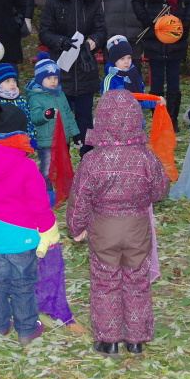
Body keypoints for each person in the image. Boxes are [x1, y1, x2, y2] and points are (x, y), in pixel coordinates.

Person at [66, 91, 169, 355]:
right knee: (137, 281)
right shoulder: (146, 157)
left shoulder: (92, 160)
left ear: (101, 119)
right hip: (137, 227)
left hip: (104, 229)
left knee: (105, 282)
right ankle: (136, 339)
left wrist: (76, 228)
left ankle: (108, 340)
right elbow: (160, 190)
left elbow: (80, 198)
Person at [0, 101, 58, 343]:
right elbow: (39, 204)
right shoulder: (26, 166)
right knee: (23, 283)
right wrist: (49, 231)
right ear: (19, 135)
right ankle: (27, 328)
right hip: (22, 238)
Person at [39, 0, 107, 141]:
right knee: (62, 120)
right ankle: (63, 154)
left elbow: (101, 29)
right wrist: (61, 42)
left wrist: (92, 42)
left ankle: (87, 153)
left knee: (85, 119)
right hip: (61, 70)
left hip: (86, 67)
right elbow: (45, 32)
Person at [27, 57, 76, 192]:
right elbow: (34, 117)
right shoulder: (36, 97)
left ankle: (64, 187)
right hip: (46, 141)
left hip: (62, 138)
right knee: (47, 167)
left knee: (63, 163)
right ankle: (46, 190)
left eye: (55, 78)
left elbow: (68, 113)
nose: (53, 81)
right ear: (40, 79)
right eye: (49, 78)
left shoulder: (60, 94)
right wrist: (45, 115)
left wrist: (75, 133)